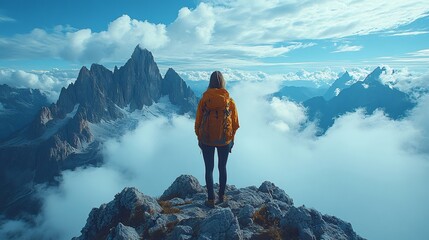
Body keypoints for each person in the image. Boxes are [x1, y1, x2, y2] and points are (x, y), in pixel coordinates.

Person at [195, 71, 239, 207]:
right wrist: (231, 140)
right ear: (222, 83)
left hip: (206, 139)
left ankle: (210, 199)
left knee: (209, 169)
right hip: (224, 140)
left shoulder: (204, 99)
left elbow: (198, 121)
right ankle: (221, 196)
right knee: (222, 167)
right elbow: (235, 122)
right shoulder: (229, 101)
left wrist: (199, 136)